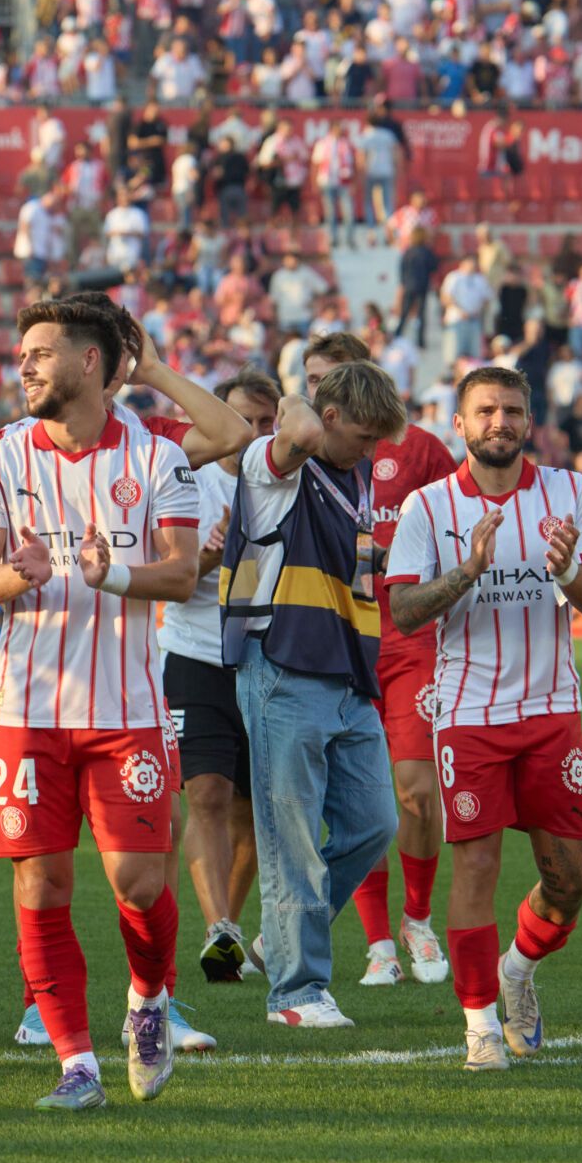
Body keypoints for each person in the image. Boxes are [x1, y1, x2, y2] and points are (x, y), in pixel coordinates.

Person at [0, 297, 204, 1110]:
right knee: (41, 885)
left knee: (139, 882)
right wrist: (18, 573)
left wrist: (112, 575)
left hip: (125, 707)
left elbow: (184, 572)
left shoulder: (157, 457)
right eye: (22, 353)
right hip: (25, 711)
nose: (23, 366)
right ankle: (77, 1064)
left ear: (90, 360)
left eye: (40, 352)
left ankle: (148, 999)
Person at [382, 365, 582, 1071]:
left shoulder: (571, 492)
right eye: (485, 411)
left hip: (552, 709)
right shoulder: (427, 507)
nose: (499, 422)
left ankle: (517, 969)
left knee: (570, 880)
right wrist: (467, 571)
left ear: (529, 420)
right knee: (476, 866)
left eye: (512, 410)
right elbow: (403, 611)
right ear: (460, 423)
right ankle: (480, 1025)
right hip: (470, 713)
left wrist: (567, 571)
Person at [220, 360, 404, 1030]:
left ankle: (281, 938)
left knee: (375, 823)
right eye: (362, 434)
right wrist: (301, 396)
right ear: (326, 418)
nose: (371, 449)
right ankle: (295, 994)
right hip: (285, 666)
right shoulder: (277, 467)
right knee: (290, 839)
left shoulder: (354, 474)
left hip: (348, 671)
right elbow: (296, 425)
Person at [304, 334, 456, 989]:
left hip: (409, 641)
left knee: (417, 791)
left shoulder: (418, 448)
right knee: (359, 800)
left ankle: (418, 919)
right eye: (312, 380)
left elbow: (457, 525)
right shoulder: (303, 452)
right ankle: (378, 945)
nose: (321, 393)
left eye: (330, 377)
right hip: (339, 642)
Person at [161, 371, 279, 984]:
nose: (253, 433)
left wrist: (246, 559)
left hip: (263, 659)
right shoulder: (188, 479)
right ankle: (219, 929)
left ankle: (227, 931)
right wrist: (208, 556)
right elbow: (171, 580)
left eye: (265, 422)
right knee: (204, 792)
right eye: (242, 420)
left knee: (255, 812)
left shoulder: (285, 483)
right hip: (195, 656)